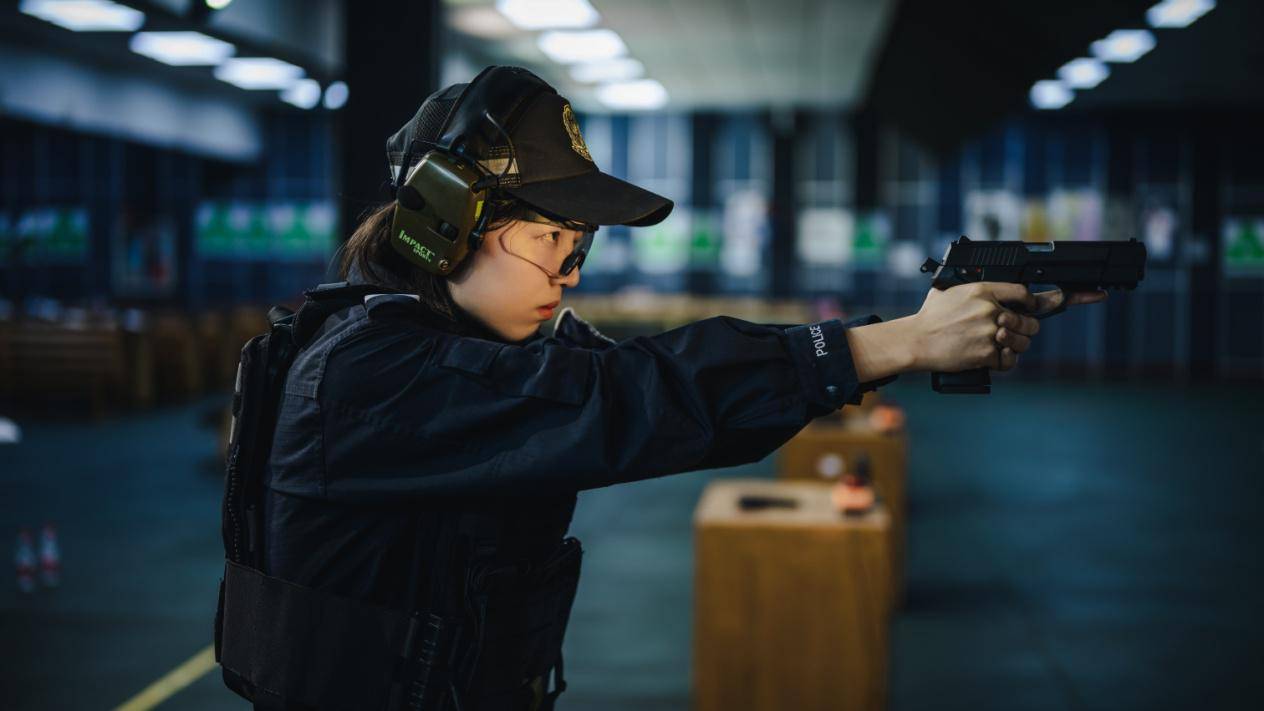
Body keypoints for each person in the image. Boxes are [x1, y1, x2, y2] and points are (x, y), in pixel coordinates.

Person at [252, 66, 1103, 710]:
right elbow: (632, 397)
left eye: (579, 247)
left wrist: (920, 327)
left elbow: (660, 375)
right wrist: (900, 344)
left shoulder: (458, 352)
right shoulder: (369, 377)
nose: (571, 273)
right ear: (445, 223)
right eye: (553, 238)